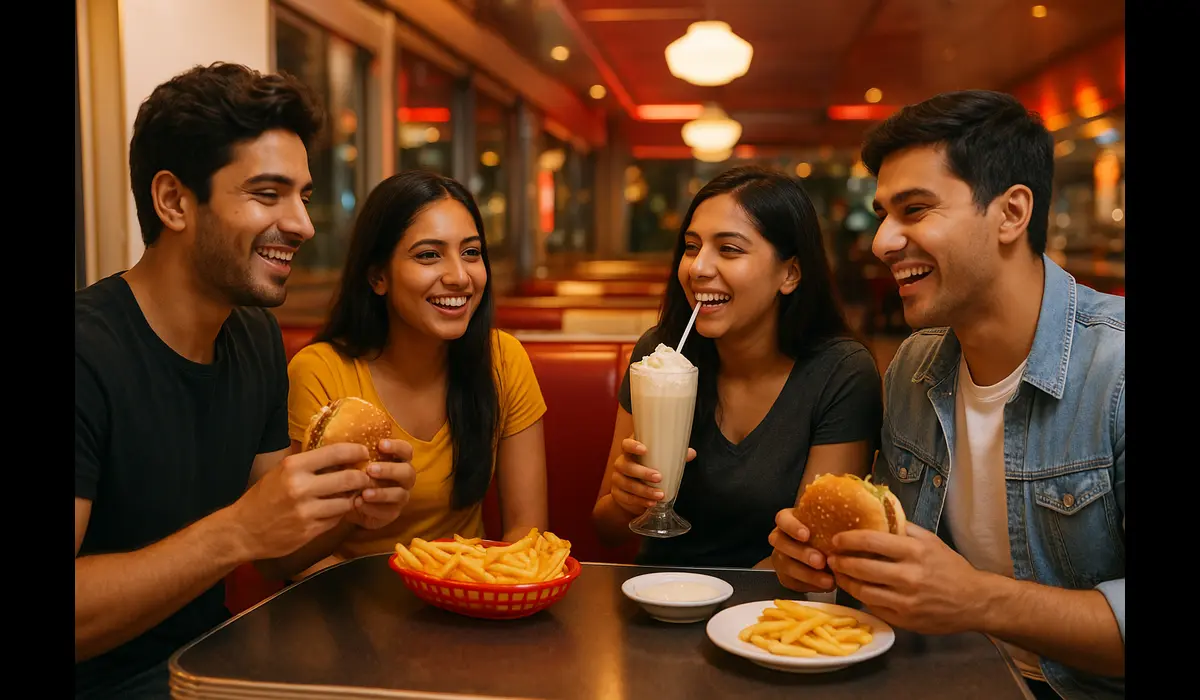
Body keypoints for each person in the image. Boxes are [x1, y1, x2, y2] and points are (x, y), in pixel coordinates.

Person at [75, 63, 417, 700]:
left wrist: (351, 508)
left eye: (304, 196)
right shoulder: (87, 353)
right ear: (174, 201)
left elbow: (276, 552)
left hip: (211, 670)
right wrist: (234, 529)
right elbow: (245, 532)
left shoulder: (254, 335)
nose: (303, 225)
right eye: (268, 194)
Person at [768, 90, 1124, 699]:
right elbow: (903, 572)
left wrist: (976, 599)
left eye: (914, 210)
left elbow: (960, 596)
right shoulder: (913, 366)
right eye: (884, 213)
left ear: (1011, 213)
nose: (882, 242)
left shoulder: (1114, 371)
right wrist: (824, 565)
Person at [592, 166, 883, 568]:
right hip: (655, 598)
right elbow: (605, 531)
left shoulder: (841, 373)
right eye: (691, 247)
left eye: (729, 249)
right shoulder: (658, 356)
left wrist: (714, 608)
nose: (697, 268)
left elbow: (809, 553)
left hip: (771, 612)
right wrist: (625, 502)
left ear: (790, 273)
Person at [285, 170, 548, 575]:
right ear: (378, 277)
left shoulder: (503, 359)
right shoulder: (320, 371)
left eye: (472, 253)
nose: (459, 276)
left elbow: (526, 531)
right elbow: (299, 550)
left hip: (469, 601)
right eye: (429, 255)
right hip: (349, 609)